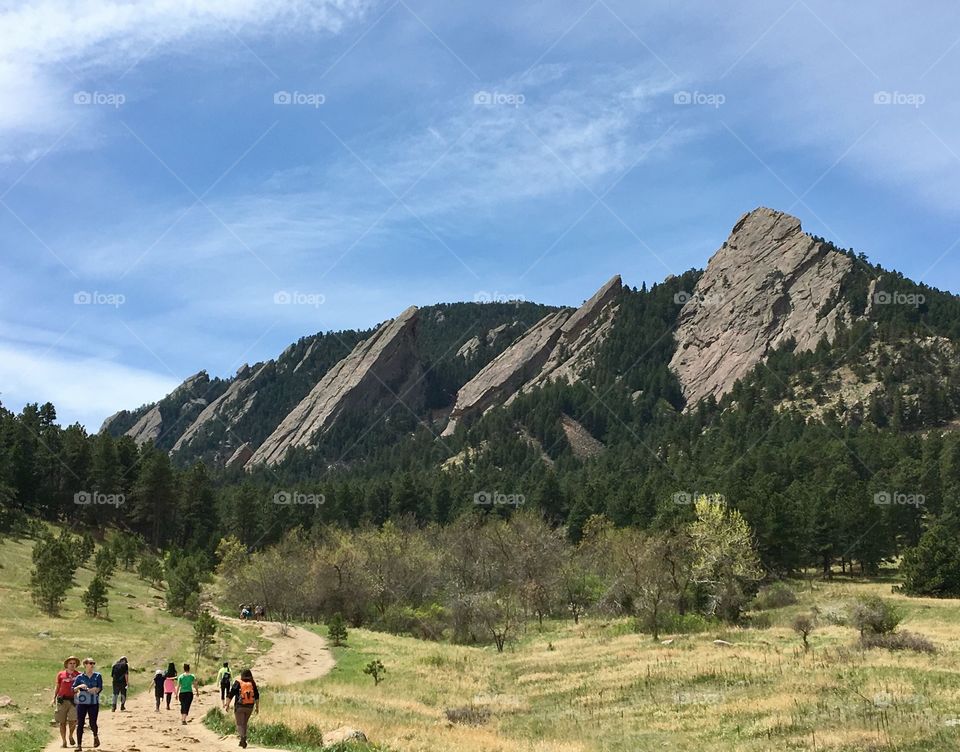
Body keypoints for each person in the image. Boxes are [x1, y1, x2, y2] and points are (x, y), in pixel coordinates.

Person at [224, 668, 260, 749]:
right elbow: (257, 696)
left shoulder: (238, 682)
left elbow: (231, 694)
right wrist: (257, 707)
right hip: (250, 706)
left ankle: (243, 738)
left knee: (239, 724)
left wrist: (227, 705)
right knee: (244, 723)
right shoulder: (252, 683)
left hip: (240, 706)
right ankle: (242, 740)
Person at [72, 657, 102, 751]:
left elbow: (100, 687)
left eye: (93, 663)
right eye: (90, 663)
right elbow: (73, 689)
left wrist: (95, 690)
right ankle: (79, 745)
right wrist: (79, 686)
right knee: (80, 723)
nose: (92, 665)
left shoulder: (97, 676)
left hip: (93, 702)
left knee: (92, 722)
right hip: (82, 703)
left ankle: (95, 736)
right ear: (85, 664)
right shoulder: (80, 677)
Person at [51, 655, 79, 748]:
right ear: (67, 664)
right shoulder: (61, 674)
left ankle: (71, 735)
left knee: (73, 720)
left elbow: (82, 687)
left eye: (74, 663)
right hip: (62, 700)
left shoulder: (78, 675)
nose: (72, 665)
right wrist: (53, 698)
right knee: (62, 722)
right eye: (70, 663)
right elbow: (58, 687)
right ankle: (64, 741)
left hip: (73, 700)